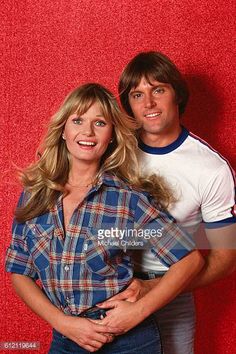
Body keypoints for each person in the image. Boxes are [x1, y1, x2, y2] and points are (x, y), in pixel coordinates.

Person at [5, 83, 204, 353]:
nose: (87, 132)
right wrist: (63, 323)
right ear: (64, 130)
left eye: (99, 122)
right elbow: (19, 271)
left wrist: (137, 313)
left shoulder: (127, 198)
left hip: (128, 341)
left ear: (111, 135)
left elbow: (190, 261)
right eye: (78, 120)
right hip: (67, 338)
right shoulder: (35, 195)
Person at [96, 52, 236, 354]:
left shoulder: (212, 168)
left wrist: (154, 290)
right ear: (128, 104)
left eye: (158, 90)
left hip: (173, 293)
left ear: (177, 95)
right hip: (106, 287)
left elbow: (226, 259)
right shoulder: (111, 152)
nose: (148, 103)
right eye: (137, 94)